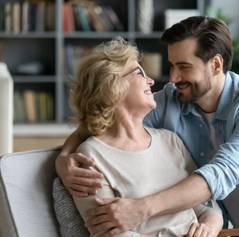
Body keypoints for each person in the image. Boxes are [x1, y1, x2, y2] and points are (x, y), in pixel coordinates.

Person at [56, 16, 239, 237]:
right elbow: (106, 114)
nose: (173, 77)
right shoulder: (172, 99)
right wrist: (64, 158)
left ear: (215, 64)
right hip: (238, 229)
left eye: (184, 66)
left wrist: (139, 210)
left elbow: (221, 173)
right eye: (171, 65)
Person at [60, 38, 223, 237]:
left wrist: (209, 225)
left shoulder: (171, 141)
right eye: (140, 73)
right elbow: (109, 233)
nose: (151, 81)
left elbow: (207, 207)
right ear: (112, 85)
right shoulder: (90, 156)